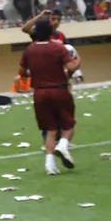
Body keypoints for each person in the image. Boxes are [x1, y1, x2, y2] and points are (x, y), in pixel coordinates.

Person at [19, 17, 80, 176]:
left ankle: (50, 164)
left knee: (50, 129)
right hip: (59, 90)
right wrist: (78, 61)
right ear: (51, 31)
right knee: (68, 124)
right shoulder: (59, 48)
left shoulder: (29, 49)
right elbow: (70, 68)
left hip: (39, 93)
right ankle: (63, 145)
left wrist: (34, 71)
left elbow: (21, 73)